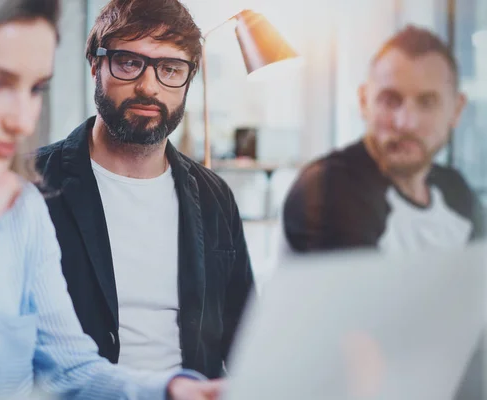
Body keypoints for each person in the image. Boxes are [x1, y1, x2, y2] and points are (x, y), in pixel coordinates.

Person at [0, 0, 223, 398]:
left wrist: (172, 389)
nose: (23, 121)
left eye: (35, 89)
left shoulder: (22, 210)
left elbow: (69, 369)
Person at [36, 0, 254, 379]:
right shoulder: (34, 184)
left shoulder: (215, 196)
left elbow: (246, 337)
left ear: (189, 78)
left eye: (170, 68)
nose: (148, 86)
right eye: (128, 62)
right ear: (95, 65)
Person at [281, 25, 485, 254]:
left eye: (427, 102)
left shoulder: (456, 192)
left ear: (456, 110)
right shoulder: (327, 189)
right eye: (390, 100)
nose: (405, 123)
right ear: (363, 101)